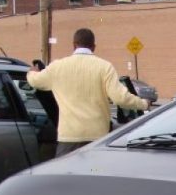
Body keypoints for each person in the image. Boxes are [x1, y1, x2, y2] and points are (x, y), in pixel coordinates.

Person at [27, 28, 149, 157]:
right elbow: (120, 98)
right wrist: (143, 104)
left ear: (74, 45)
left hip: (69, 137)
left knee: (66, 175)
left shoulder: (58, 66)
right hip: (98, 137)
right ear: (94, 47)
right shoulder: (104, 67)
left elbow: (35, 81)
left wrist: (32, 72)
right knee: (95, 175)